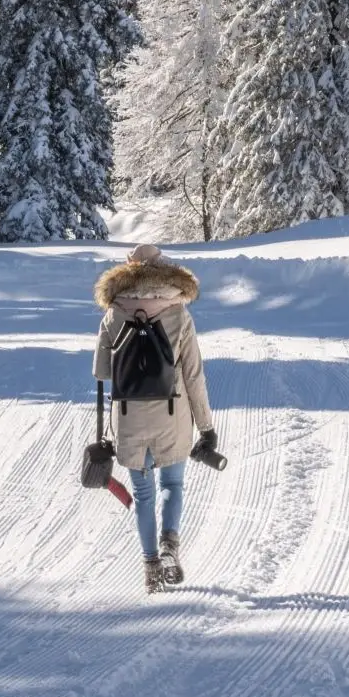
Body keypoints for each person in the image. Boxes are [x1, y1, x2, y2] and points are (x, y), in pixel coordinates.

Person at [93, 243, 217, 593]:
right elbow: (193, 375)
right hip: (172, 414)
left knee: (143, 494)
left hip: (130, 418)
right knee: (172, 485)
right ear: (163, 269)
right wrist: (206, 427)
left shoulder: (114, 312)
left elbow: (102, 371)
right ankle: (169, 547)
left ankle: (150, 566)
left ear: (128, 271)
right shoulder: (179, 312)